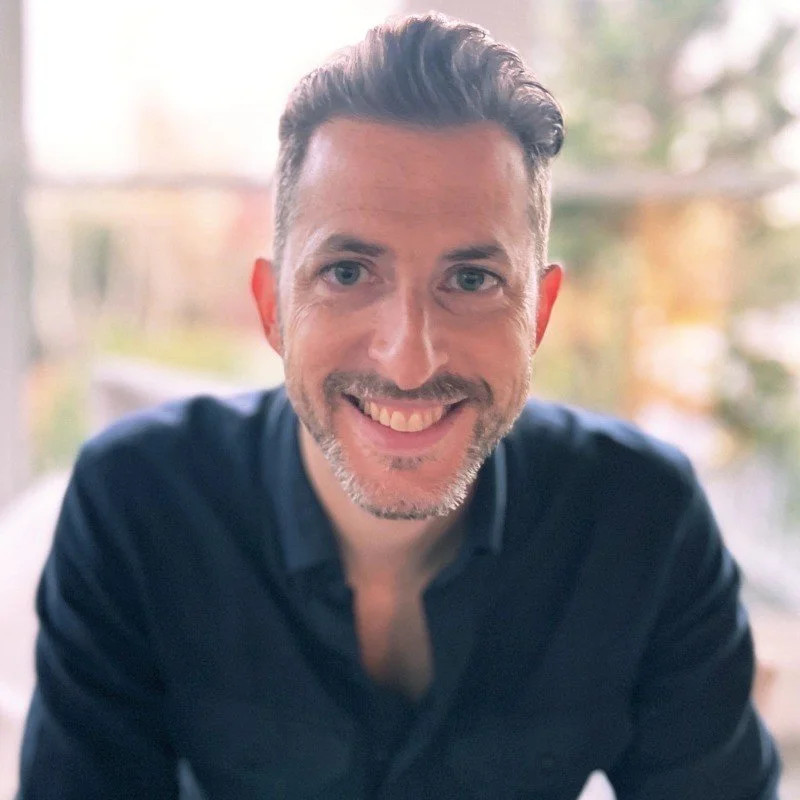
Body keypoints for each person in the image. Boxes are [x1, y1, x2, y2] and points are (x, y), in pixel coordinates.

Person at [18, 12, 781, 800]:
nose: (409, 360)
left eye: (473, 280)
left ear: (540, 313)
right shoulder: (135, 502)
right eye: (348, 273)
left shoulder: (643, 517)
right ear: (274, 308)